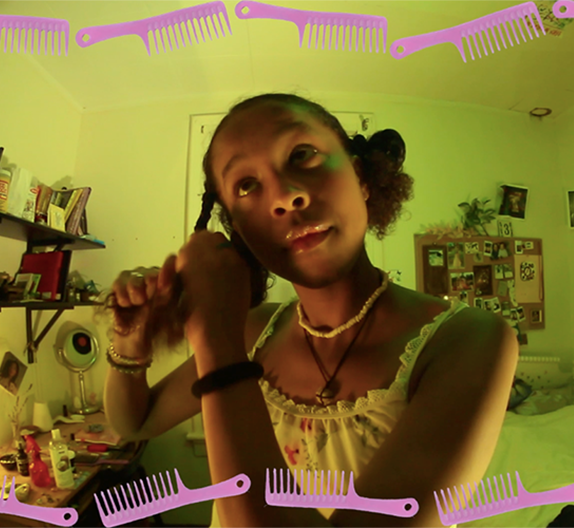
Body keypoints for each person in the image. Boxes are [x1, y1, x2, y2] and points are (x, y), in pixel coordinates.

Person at [102, 93, 519, 528]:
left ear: (360, 176)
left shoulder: (468, 340)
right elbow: (135, 422)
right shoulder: (252, 334)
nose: (284, 196)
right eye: (246, 185)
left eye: (303, 155)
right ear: (237, 230)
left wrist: (214, 341)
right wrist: (129, 338)